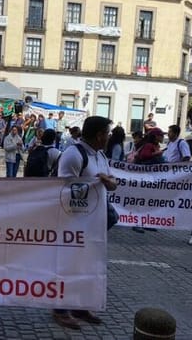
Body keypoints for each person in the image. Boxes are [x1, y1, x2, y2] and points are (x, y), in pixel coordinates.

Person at [54, 116, 117, 330]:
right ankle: (60, 309)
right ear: (99, 135)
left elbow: (113, 183)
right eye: (107, 133)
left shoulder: (100, 154)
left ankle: (79, 305)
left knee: (85, 266)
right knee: (67, 266)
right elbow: (63, 189)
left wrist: (109, 183)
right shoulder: (74, 154)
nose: (109, 136)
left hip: (93, 225)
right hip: (74, 223)